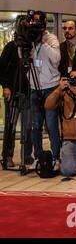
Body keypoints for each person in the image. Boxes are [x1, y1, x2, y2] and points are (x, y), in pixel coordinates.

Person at [28, 11, 61, 166]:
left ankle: (56, 157)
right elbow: (23, 59)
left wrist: (42, 42)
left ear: (45, 24)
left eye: (38, 22)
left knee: (52, 125)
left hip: (50, 88)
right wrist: (31, 42)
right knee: (36, 126)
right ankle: (39, 157)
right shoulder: (28, 39)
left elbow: (56, 60)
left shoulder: (51, 38)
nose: (35, 24)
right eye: (33, 21)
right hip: (34, 87)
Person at [0, 35, 33, 167]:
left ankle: (26, 156)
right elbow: (1, 67)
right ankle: (7, 156)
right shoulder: (10, 47)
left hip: (29, 92)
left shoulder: (31, 47)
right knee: (10, 126)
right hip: (13, 91)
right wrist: (5, 86)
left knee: (28, 126)